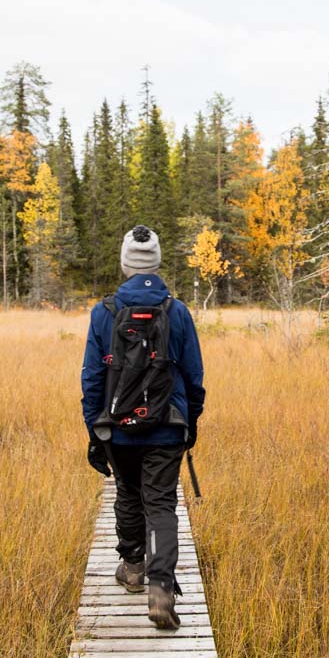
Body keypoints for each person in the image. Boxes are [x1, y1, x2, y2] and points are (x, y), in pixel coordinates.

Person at [81, 224, 205, 629]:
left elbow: (92, 381)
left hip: (117, 428)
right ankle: (161, 589)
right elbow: (194, 376)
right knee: (161, 504)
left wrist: (94, 431)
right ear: (157, 262)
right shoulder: (177, 311)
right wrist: (191, 421)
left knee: (129, 495)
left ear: (124, 263)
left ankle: (133, 566)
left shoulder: (105, 312)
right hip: (167, 426)